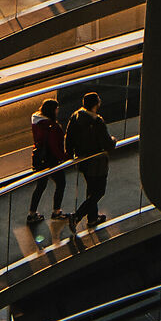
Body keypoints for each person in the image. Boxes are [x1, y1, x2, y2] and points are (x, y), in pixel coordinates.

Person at [65, 90, 116, 236]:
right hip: (97, 162)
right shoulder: (97, 121)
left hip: (83, 161)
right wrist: (113, 140)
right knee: (99, 191)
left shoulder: (76, 116)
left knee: (91, 189)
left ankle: (93, 218)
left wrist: (70, 155)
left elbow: (68, 138)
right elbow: (108, 144)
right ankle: (77, 216)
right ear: (96, 104)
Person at [28, 98, 69, 229]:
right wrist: (64, 157)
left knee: (41, 185)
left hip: (40, 158)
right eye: (56, 109)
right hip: (51, 160)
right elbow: (54, 146)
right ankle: (56, 211)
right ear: (52, 110)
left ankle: (32, 213)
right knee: (61, 183)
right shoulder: (52, 126)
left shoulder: (37, 122)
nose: (57, 111)